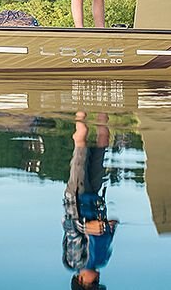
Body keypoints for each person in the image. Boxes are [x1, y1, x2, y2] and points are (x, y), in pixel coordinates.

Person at [62, 112, 118, 290]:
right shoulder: (103, 260)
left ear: (80, 280)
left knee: (81, 146)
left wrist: (86, 227)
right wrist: (110, 225)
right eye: (98, 283)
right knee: (103, 142)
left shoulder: (75, 261)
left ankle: (81, 108)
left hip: (77, 199)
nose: (98, 279)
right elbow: (110, 230)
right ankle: (103, 109)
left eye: (93, 283)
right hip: (94, 199)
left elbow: (69, 226)